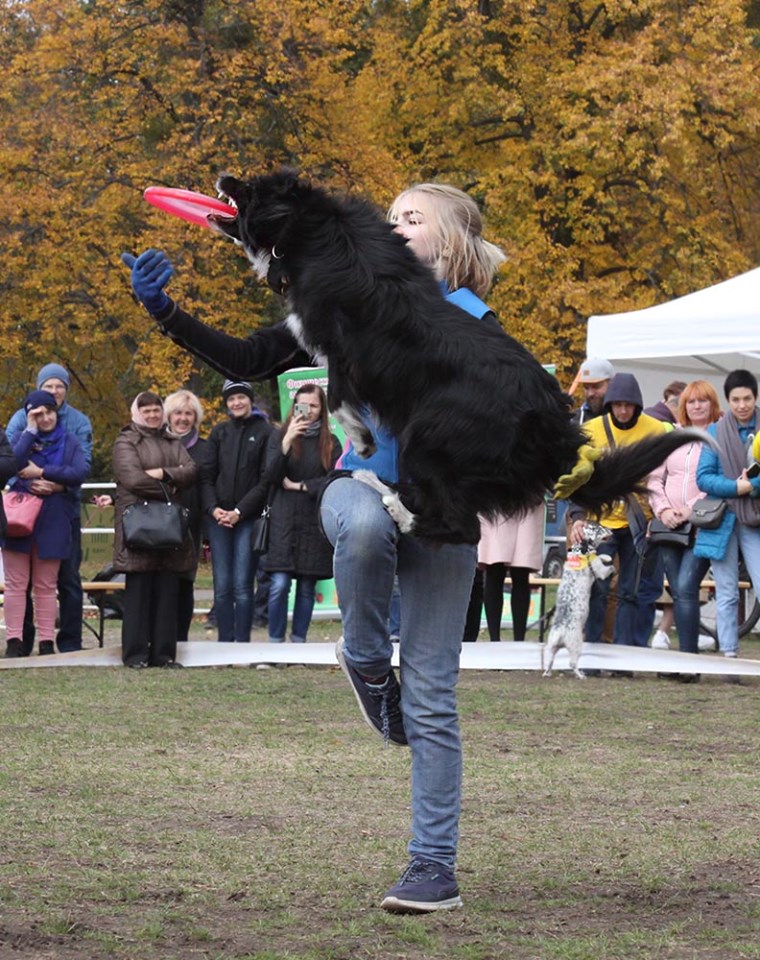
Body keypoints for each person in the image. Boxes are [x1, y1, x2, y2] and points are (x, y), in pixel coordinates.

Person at [122, 178, 506, 912]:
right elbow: (245, 355)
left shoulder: (472, 322)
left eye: (412, 218)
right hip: (360, 489)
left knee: (432, 701)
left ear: (453, 244)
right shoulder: (338, 309)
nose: (393, 226)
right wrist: (163, 311)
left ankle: (433, 869)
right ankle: (363, 658)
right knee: (360, 525)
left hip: (444, 519)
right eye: (388, 216)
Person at [568, 373, 669, 657]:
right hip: (599, 519)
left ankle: (626, 656)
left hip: (641, 521)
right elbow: (578, 476)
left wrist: (658, 518)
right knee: (596, 588)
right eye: (617, 404)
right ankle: (592, 653)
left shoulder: (655, 430)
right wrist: (577, 516)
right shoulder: (591, 429)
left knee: (631, 590)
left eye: (629, 405)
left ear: (637, 405)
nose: (623, 410)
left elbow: (663, 476)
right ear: (610, 404)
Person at [5, 363, 93, 653]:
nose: (44, 417)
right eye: (38, 413)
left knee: (55, 582)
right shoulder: (21, 428)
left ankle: (56, 641)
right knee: (18, 583)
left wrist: (45, 476)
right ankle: (17, 640)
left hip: (58, 514)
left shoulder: (73, 432)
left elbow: (80, 470)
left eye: (59, 387)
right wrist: (29, 433)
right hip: (20, 515)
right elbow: (10, 464)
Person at [112, 391, 198, 668]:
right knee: (138, 593)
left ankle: (164, 654)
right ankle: (135, 655)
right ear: (137, 413)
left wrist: (163, 475)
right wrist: (173, 486)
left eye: (156, 410)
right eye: (146, 410)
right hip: (139, 526)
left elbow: (192, 470)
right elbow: (132, 479)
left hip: (170, 528)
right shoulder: (126, 441)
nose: (152, 415)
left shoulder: (172, 440)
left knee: (167, 593)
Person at [648, 380, 720, 671]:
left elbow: (718, 480)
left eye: (702, 401)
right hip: (668, 527)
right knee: (678, 591)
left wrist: (690, 510)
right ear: (683, 407)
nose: (697, 406)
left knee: (687, 587)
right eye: (691, 401)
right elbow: (654, 479)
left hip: (702, 525)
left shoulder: (718, 437)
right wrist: (663, 509)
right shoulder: (673, 438)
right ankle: (684, 660)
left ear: (712, 404)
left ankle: (688, 661)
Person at [261, 385, 341, 645]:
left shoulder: (330, 442)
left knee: (307, 587)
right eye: (301, 405)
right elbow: (270, 476)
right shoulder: (279, 437)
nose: (307, 411)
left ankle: (298, 642)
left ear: (322, 410)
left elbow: (336, 479)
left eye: (313, 406)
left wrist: (302, 486)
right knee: (279, 585)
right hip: (283, 519)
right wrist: (285, 444)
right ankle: (275, 641)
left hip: (312, 520)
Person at [695, 369, 760, 668]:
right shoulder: (714, 432)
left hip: (755, 520)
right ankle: (729, 654)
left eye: (747, 398)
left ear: (756, 398)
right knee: (726, 590)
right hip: (723, 520)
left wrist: (754, 486)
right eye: (736, 399)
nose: (742, 405)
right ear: (728, 400)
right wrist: (737, 487)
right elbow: (704, 478)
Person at [200, 380, 272, 644]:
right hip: (218, 519)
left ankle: (242, 644)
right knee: (222, 587)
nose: (236, 403)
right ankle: (224, 643)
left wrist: (240, 511)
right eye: (231, 399)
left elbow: (266, 480)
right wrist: (213, 509)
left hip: (247, 519)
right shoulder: (219, 432)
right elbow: (206, 476)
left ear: (250, 400)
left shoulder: (264, 432)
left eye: (241, 397)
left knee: (243, 586)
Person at [464, 506, 544, 642]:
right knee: (494, 566)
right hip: (496, 498)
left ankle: (519, 640)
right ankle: (494, 639)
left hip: (528, 498)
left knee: (521, 570)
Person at [164, 389, 207, 643]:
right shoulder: (158, 444)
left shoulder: (204, 448)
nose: (182, 418)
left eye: (188, 413)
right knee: (163, 584)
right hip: (160, 523)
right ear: (169, 415)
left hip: (191, 524)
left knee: (184, 583)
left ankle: (181, 638)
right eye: (178, 413)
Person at [573, 358, 615, 425]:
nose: (590, 393)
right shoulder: (575, 420)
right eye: (586, 387)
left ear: (612, 383)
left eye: (596, 386)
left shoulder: (624, 415)